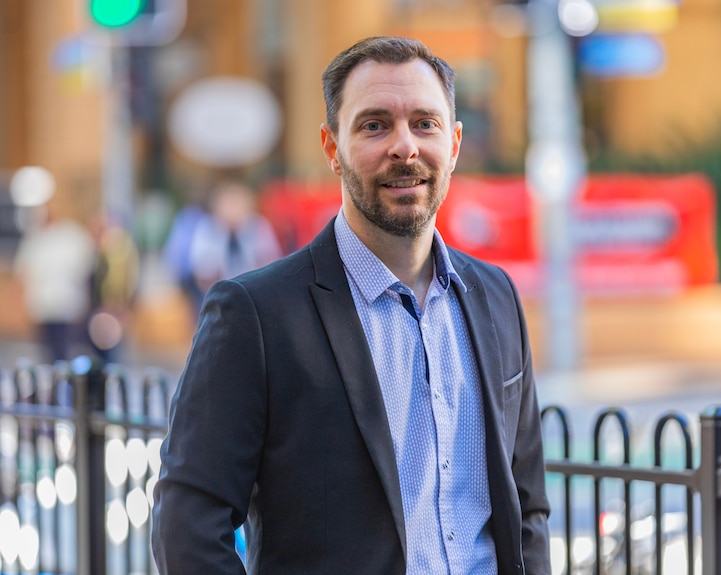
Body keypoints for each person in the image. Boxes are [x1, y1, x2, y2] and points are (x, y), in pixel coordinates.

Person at [152, 36, 551, 575]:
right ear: (331, 148)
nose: (404, 147)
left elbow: (527, 508)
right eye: (374, 125)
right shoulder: (256, 315)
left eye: (425, 124)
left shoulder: (496, 297)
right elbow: (188, 526)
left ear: (454, 144)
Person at [13, 200, 97, 363]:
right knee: (47, 351)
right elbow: (23, 272)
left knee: (67, 350)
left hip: (67, 305)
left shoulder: (72, 236)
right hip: (43, 307)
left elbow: (86, 269)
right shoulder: (35, 239)